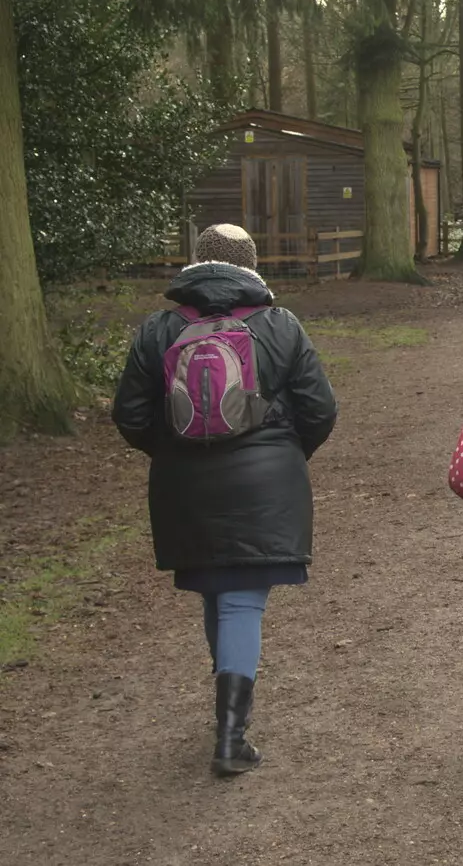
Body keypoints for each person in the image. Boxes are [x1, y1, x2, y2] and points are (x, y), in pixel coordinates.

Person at [112, 224, 337, 777]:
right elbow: (320, 410)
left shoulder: (159, 329)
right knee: (241, 597)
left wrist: (173, 451)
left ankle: (227, 714)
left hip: (183, 484)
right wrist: (284, 453)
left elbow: (130, 415)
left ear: (198, 264)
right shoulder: (281, 325)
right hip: (265, 479)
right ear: (250, 265)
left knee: (219, 589)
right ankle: (231, 738)